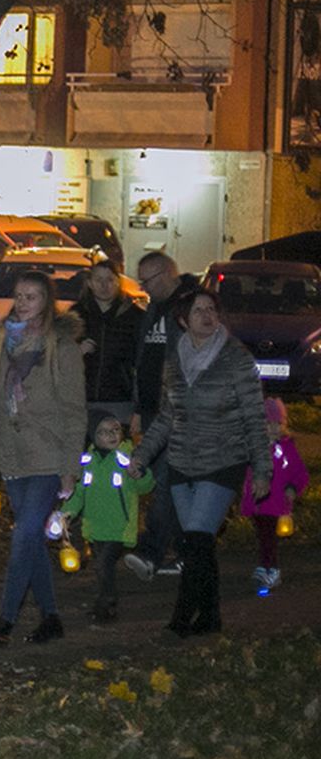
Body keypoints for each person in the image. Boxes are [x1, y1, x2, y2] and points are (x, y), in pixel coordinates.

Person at [135, 289, 273, 637]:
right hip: (182, 461)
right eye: (199, 311)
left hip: (223, 459)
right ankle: (211, 617)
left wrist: (261, 468)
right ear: (183, 320)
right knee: (196, 543)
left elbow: (254, 416)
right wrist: (142, 454)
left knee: (197, 537)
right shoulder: (175, 361)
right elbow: (168, 416)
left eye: (212, 309)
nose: (207, 316)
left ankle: (181, 618)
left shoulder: (236, 358)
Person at [0, 270, 87, 646]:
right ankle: (51, 617)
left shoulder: (61, 347)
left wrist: (70, 469)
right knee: (31, 539)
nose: (22, 303)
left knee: (24, 534)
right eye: (18, 296)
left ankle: (6, 618)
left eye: (31, 296)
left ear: (46, 302)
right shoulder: (3, 343)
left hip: (49, 454)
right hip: (13, 456)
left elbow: (75, 411)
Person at [124, 251, 200, 578]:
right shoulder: (153, 309)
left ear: (168, 274)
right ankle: (188, 552)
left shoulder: (191, 308)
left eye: (148, 280)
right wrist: (141, 408)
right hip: (156, 411)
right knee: (170, 485)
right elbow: (145, 360)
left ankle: (151, 552)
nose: (144, 287)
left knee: (168, 483)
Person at [60, 411, 153, 624]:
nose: (111, 435)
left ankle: (107, 604)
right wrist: (67, 512)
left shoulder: (128, 458)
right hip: (95, 527)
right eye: (103, 432)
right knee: (101, 566)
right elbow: (79, 493)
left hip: (119, 527)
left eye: (115, 430)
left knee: (103, 564)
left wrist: (140, 472)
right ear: (94, 436)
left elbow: (146, 486)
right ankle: (105, 602)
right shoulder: (88, 461)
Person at [240, 398, 307, 592]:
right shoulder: (254, 448)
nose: (274, 428)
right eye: (268, 424)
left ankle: (272, 569)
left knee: (269, 536)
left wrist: (293, 488)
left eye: (278, 423)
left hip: (276, 503)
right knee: (263, 535)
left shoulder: (286, 448)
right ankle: (265, 565)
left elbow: (300, 473)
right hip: (258, 502)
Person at [75, 261, 145, 422]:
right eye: (99, 280)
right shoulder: (76, 316)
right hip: (81, 400)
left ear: (118, 282)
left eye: (110, 280)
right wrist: (77, 351)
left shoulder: (135, 317)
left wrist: (140, 407)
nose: (104, 285)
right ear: (90, 283)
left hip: (120, 400)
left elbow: (143, 364)